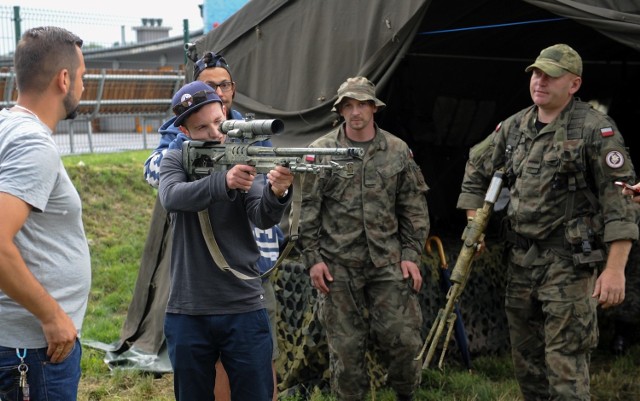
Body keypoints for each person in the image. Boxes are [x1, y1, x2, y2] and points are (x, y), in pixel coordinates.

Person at [457, 44, 638, 400]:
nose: (539, 81)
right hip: (521, 263)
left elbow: (621, 200)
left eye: (550, 76)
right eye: (536, 73)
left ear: (573, 84)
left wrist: (615, 269)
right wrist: (473, 225)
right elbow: (475, 170)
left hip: (569, 264)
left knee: (565, 364)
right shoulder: (515, 126)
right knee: (528, 365)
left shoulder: (594, 130)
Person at [142, 51, 282, 400]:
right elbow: (172, 196)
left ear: (226, 112)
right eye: (202, 128)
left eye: (219, 122)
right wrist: (224, 182)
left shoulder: (242, 152)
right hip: (188, 308)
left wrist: (279, 191)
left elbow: (262, 215)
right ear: (183, 130)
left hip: (243, 303)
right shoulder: (175, 157)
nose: (215, 133)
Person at [299, 76, 430, 401]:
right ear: (340, 110)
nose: (355, 112)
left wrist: (411, 255)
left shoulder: (397, 150)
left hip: (387, 263)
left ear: (373, 107)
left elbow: (414, 208)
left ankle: (405, 395)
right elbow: (305, 210)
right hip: (338, 267)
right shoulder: (321, 151)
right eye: (348, 106)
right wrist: (312, 259)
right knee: (345, 351)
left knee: (403, 339)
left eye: (361, 104)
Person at [0, 26, 91, 400]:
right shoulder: (33, 143)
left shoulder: (7, 126)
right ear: (64, 79)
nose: (83, 87)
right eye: (83, 77)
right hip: (34, 350)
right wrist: (51, 315)